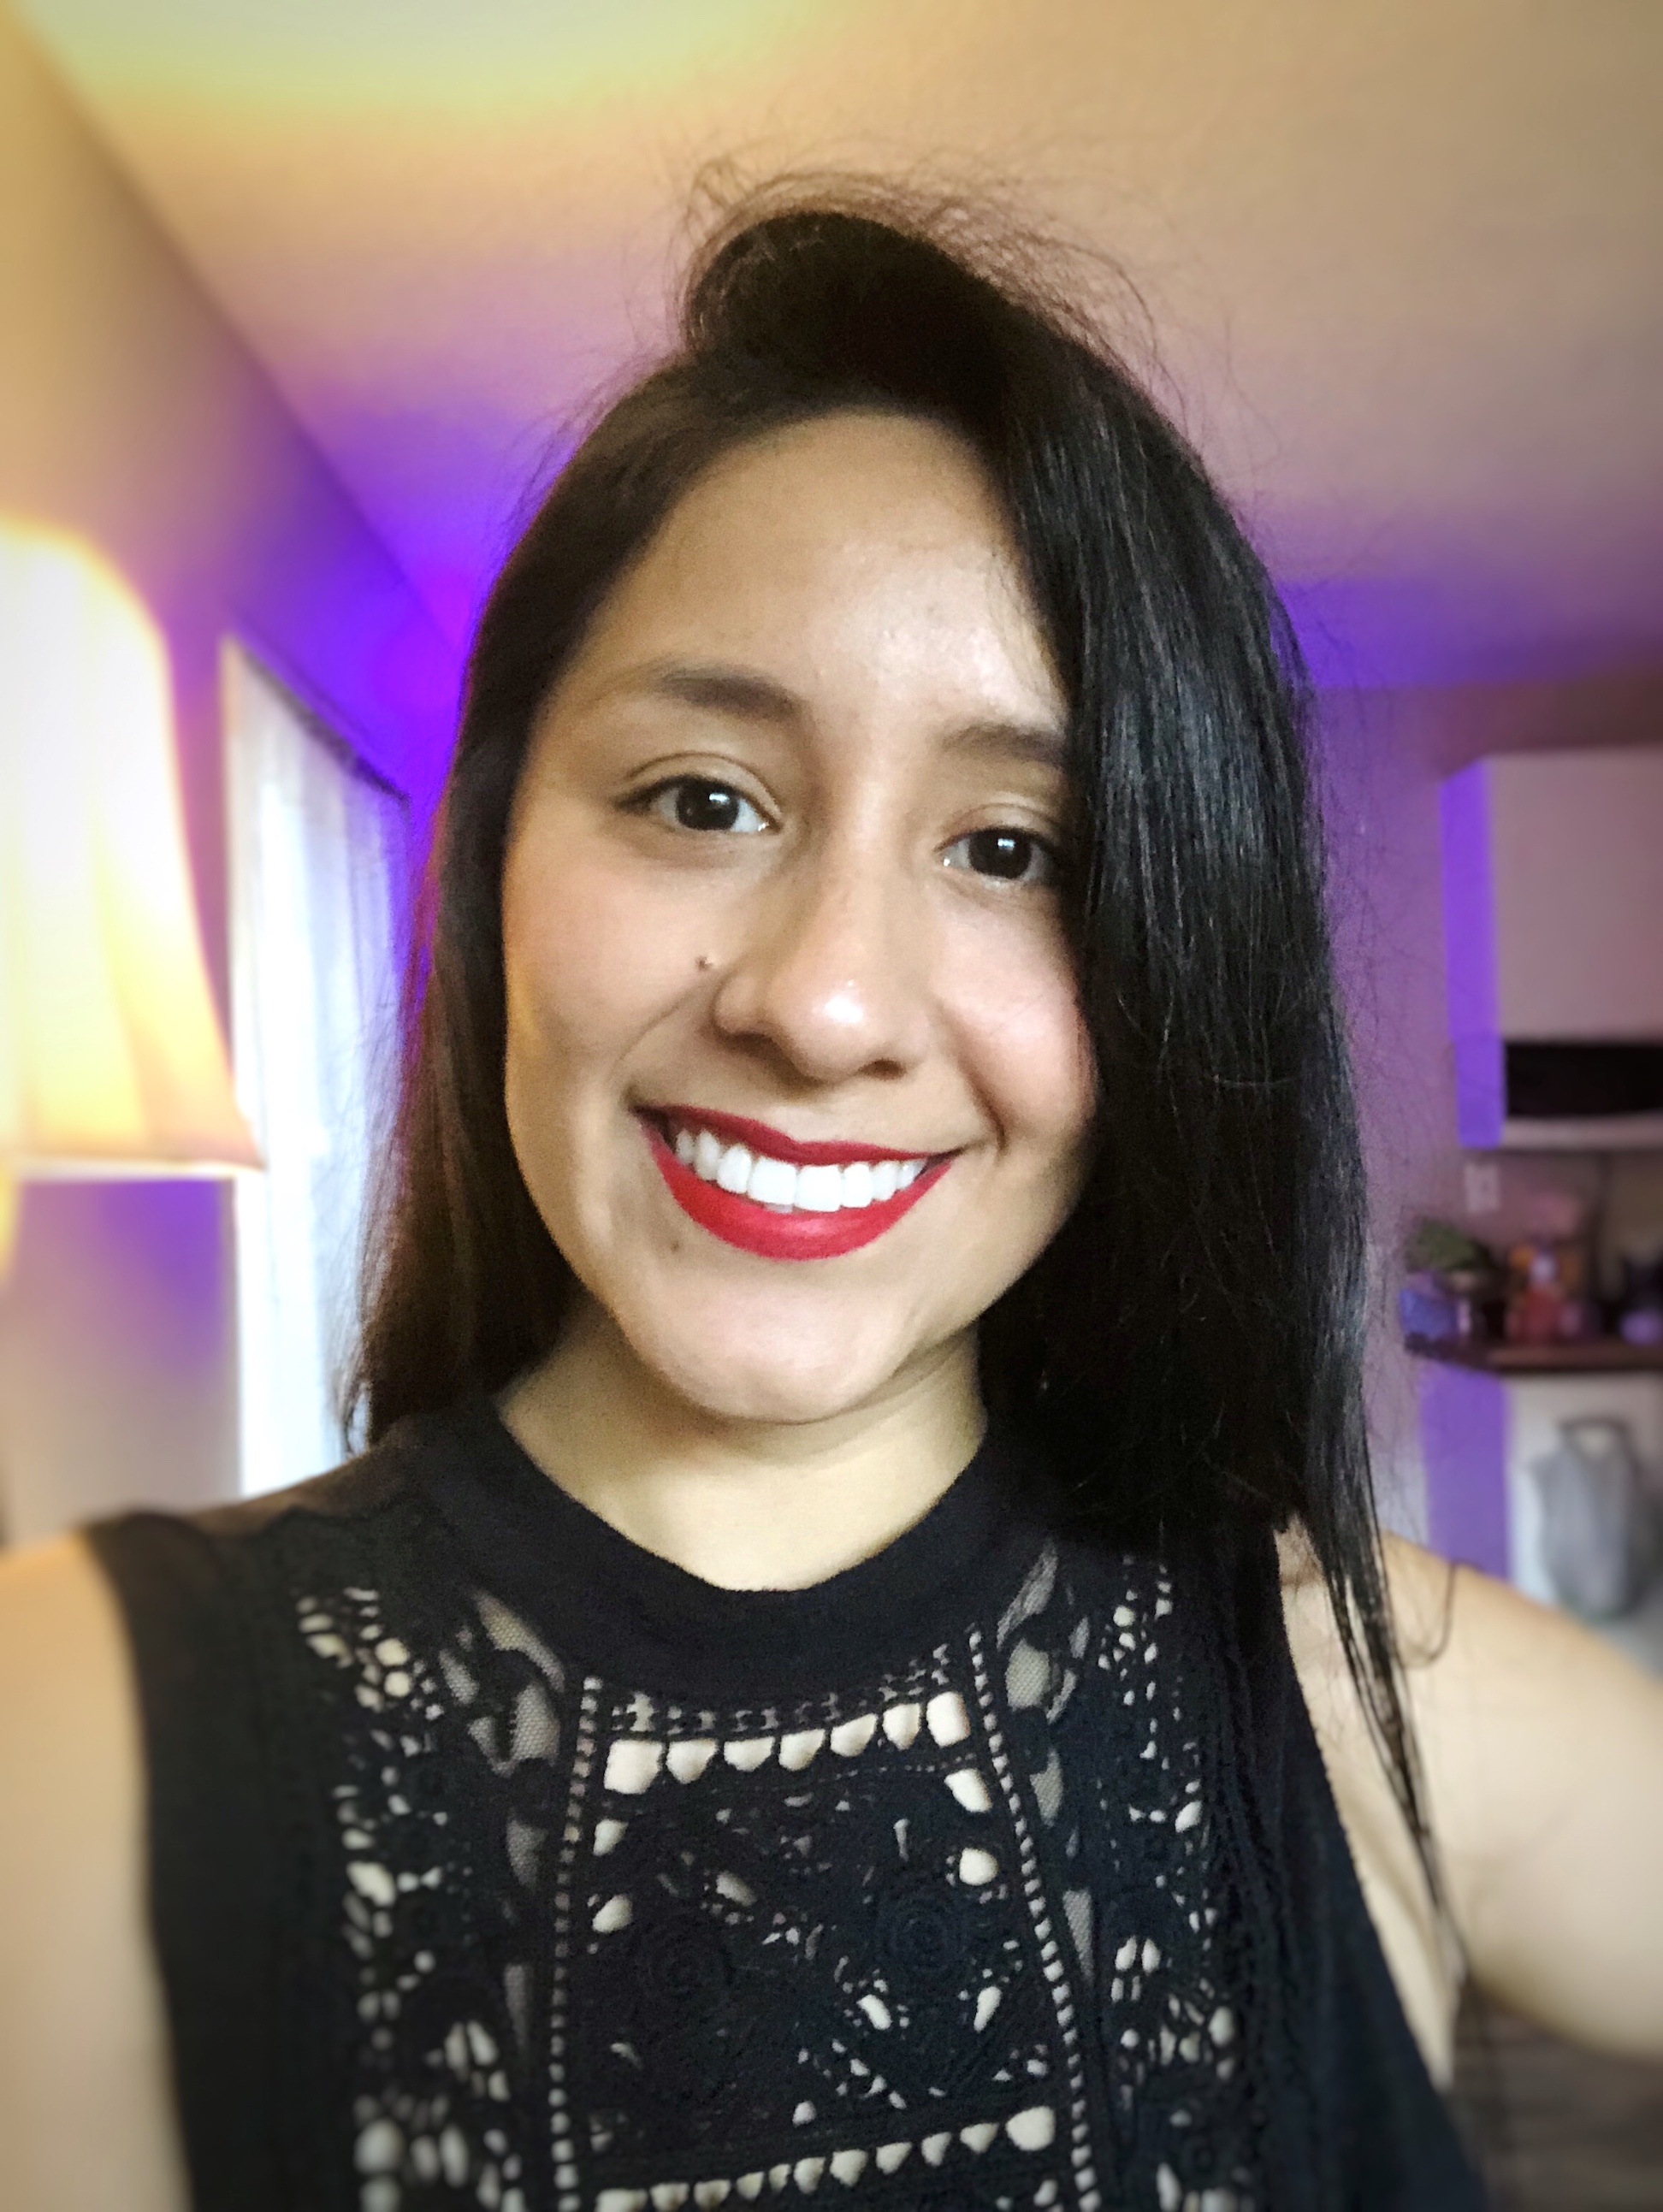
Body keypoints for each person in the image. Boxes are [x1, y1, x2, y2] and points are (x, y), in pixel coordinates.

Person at [2, 181, 1660, 2212]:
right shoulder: (74, 1745)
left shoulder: (1380, 1696)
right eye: (703, 801)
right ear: (498, 861)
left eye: (1016, 852)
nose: (824, 1003)